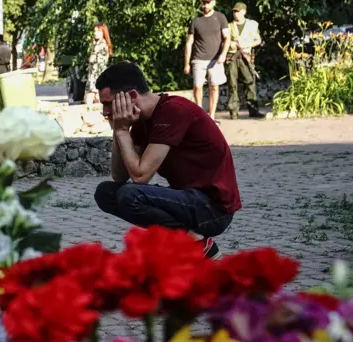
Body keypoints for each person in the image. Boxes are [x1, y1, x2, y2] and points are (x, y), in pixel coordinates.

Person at [93, 62, 242, 259]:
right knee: (106, 192)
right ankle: (190, 239)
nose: (104, 112)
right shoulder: (141, 122)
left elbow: (140, 177)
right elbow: (119, 176)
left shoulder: (173, 111)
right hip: (190, 200)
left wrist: (121, 130)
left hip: (214, 210)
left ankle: (196, 243)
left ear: (131, 96)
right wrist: (118, 130)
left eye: (108, 104)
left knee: (130, 195)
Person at [184, 0, 231, 120]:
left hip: (215, 59)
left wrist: (223, 54)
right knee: (197, 86)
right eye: (204, 3)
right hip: (198, 59)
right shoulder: (196, 21)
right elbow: (189, 43)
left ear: (214, 3)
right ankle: (199, 113)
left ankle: (212, 115)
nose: (206, 5)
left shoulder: (220, 17)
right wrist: (186, 64)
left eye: (208, 3)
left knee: (214, 86)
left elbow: (227, 38)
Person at [226, 2, 264, 119]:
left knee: (250, 82)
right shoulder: (229, 26)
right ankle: (233, 111)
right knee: (232, 84)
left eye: (237, 11)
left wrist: (247, 44)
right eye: (234, 11)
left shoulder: (252, 25)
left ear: (244, 11)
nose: (235, 14)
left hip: (246, 56)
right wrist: (230, 44)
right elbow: (224, 41)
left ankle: (253, 110)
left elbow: (258, 40)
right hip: (232, 57)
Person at [85, 23, 113, 105]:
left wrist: (94, 47)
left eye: (98, 31)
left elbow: (91, 60)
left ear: (103, 32)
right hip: (98, 75)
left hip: (97, 75)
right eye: (95, 31)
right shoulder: (104, 44)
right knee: (96, 99)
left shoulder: (100, 45)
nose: (95, 33)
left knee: (90, 100)